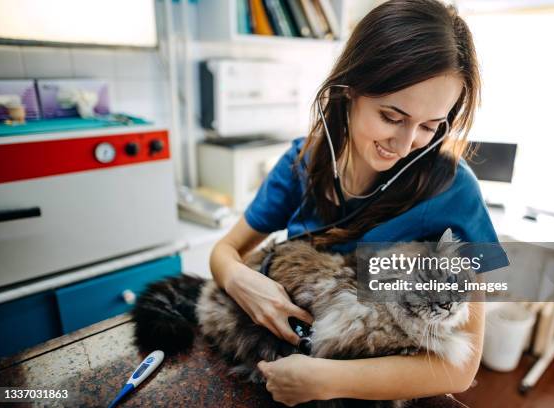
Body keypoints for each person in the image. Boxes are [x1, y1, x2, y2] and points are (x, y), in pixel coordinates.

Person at [209, 0, 508, 405]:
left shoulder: (456, 194)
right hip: (276, 360)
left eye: (430, 126)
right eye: (391, 116)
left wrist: (326, 380)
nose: (405, 145)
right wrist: (241, 281)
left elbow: (460, 368)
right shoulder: (304, 161)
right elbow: (226, 250)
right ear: (349, 91)